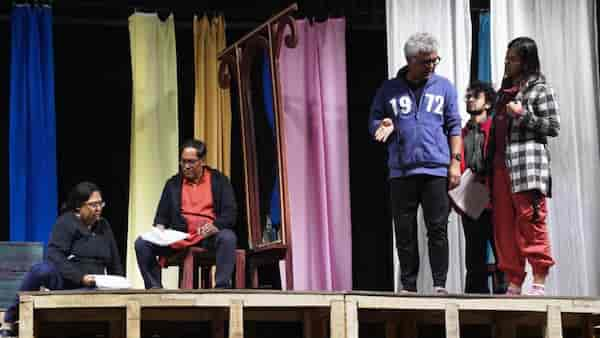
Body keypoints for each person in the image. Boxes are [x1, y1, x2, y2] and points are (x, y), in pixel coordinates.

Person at [368, 32, 462, 294]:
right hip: (402, 171)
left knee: (438, 229)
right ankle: (408, 286)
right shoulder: (389, 90)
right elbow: (373, 121)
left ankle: (440, 285)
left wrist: (455, 163)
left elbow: (455, 126)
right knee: (405, 231)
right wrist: (383, 124)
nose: (432, 66)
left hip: (435, 169)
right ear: (411, 61)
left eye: (435, 60)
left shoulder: (444, 87)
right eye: (426, 61)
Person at [0, 182, 123, 337]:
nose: (98, 209)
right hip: (67, 281)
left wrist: (120, 286)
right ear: (79, 206)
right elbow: (54, 256)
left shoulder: (104, 226)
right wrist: (80, 277)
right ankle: (9, 319)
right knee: (41, 270)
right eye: (93, 205)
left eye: (100, 203)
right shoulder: (66, 223)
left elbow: (114, 261)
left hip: (94, 285)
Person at [488, 37, 560, 296]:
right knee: (505, 228)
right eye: (507, 58)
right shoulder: (504, 92)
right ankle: (514, 281)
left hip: (527, 168)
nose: (508, 63)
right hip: (500, 170)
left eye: (513, 59)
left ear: (526, 61)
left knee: (531, 222)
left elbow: (553, 126)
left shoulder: (540, 89)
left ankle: (538, 281)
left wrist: (522, 114)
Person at [135, 139, 238, 289]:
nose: (186, 166)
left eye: (191, 162)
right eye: (183, 162)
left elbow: (230, 213)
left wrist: (216, 226)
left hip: (207, 236)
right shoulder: (173, 184)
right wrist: (160, 229)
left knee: (228, 237)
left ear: (202, 161)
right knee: (142, 243)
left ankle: (221, 288)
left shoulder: (219, 180)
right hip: (180, 236)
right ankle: (154, 289)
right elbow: (161, 217)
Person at [458, 81, 504, 294]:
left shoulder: (495, 128)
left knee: (502, 250)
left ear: (487, 103)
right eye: (468, 96)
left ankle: (505, 293)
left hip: (496, 200)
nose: (469, 99)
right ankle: (475, 299)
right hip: (472, 200)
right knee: (473, 254)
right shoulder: (461, 132)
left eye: (475, 96)